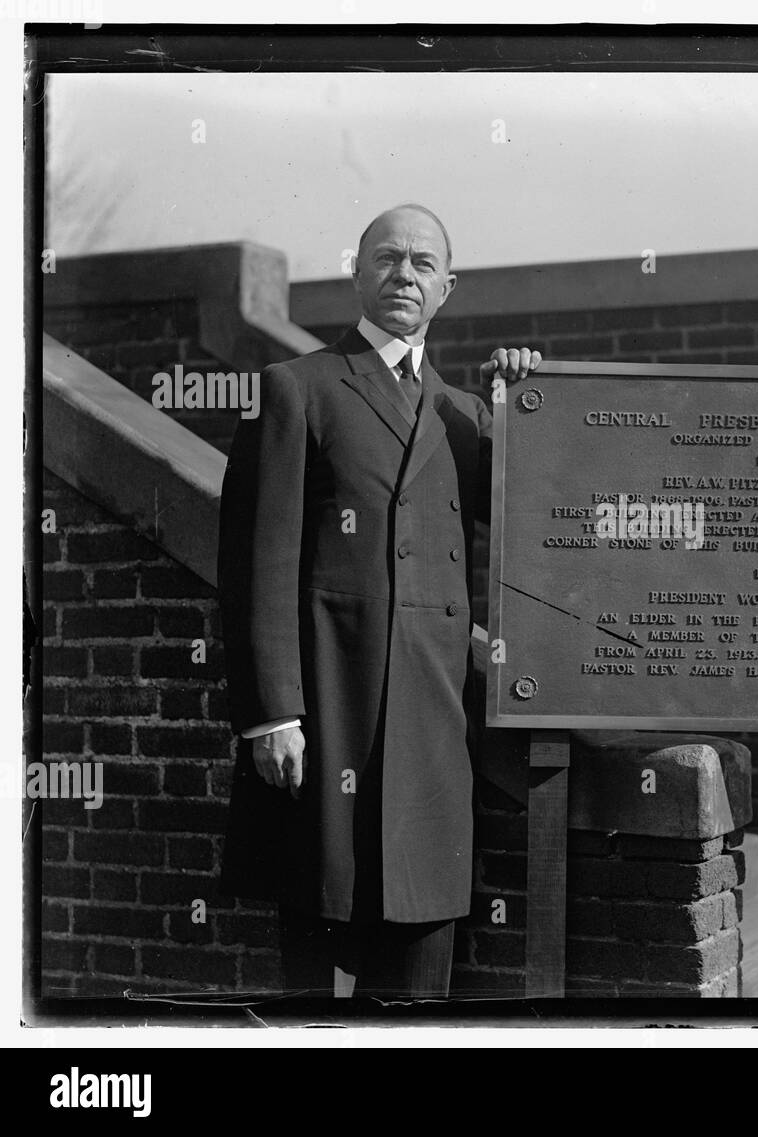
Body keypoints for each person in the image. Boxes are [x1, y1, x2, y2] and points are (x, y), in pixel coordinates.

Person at [217, 203, 540, 998]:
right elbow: (257, 561)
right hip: (326, 724)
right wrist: (272, 714)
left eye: (423, 264)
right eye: (388, 259)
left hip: (431, 736)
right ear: (355, 273)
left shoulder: (465, 413)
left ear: (448, 288)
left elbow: (545, 515)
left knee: (418, 982)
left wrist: (528, 404)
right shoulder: (298, 389)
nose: (405, 275)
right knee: (307, 976)